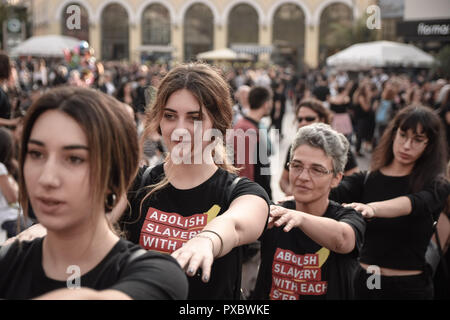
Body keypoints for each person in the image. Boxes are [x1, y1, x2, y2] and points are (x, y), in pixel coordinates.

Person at [0, 86, 188, 300]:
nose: (47, 178)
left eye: (74, 159)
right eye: (36, 154)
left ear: (116, 174)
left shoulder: (157, 275)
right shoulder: (8, 262)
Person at [117, 63, 270, 300]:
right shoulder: (136, 183)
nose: (180, 129)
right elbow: (92, 214)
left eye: (194, 118)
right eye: (170, 116)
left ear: (217, 124)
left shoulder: (241, 193)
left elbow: (236, 224)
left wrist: (207, 239)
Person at [330, 105, 450, 299]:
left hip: (409, 286)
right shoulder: (368, 179)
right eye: (403, 135)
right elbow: (331, 193)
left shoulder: (437, 185)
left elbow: (412, 203)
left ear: (429, 145)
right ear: (394, 134)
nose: (406, 145)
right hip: (370, 278)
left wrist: (372, 208)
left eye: (418, 140)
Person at [252, 123, 365, 300]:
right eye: (296, 166)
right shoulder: (275, 214)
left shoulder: (348, 216)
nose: (303, 177)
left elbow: (343, 240)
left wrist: (300, 218)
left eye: (317, 170)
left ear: (336, 178)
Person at [279, 99, 359, 196]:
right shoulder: (295, 147)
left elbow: (354, 183)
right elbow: (283, 180)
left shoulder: (340, 147)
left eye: (309, 119)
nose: (303, 123)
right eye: (300, 119)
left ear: (322, 119)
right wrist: (290, 190)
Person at [233, 85, 273, 199]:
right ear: (266, 104)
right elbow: (244, 170)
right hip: (254, 197)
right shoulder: (245, 129)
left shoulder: (251, 126)